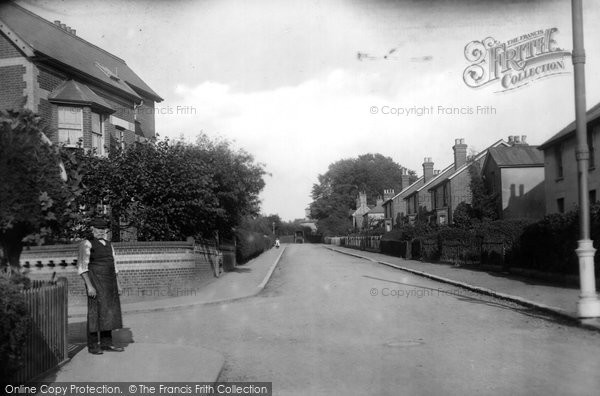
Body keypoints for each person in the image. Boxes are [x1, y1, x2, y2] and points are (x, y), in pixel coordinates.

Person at [77, 218, 124, 354]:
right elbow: (82, 267)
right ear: (92, 229)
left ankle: (106, 344)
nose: (100, 232)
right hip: (95, 283)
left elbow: (114, 266)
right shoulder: (86, 244)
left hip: (109, 283)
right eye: (98, 229)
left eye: (102, 229)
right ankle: (93, 346)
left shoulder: (109, 244)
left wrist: (118, 285)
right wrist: (89, 286)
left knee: (108, 312)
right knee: (94, 313)